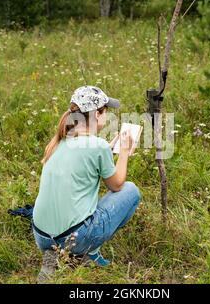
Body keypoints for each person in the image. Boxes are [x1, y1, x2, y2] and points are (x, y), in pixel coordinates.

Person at [32, 85, 141, 281]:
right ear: (98, 114)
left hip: (41, 236)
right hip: (74, 237)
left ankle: (54, 252)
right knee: (131, 191)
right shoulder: (96, 146)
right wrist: (124, 152)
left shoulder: (58, 141)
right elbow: (116, 185)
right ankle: (88, 253)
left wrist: (108, 148)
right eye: (106, 111)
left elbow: (84, 159)